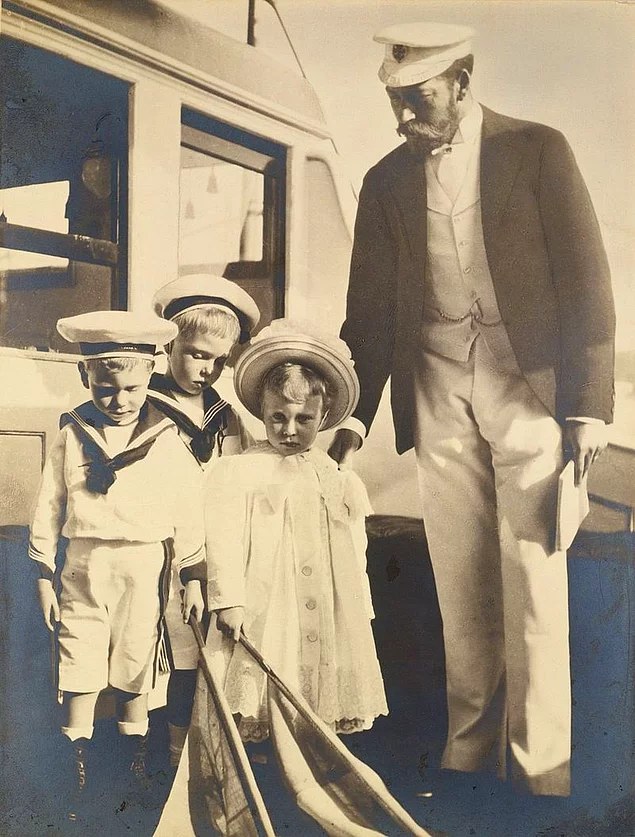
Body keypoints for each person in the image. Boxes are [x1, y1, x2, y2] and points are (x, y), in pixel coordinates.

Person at [328, 22, 615, 797]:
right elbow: (368, 311)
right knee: (459, 578)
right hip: (435, 383)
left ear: (461, 80)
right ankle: (467, 760)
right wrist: (352, 414)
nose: (402, 117)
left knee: (533, 574)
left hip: (529, 385)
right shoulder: (384, 181)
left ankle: (541, 772)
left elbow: (587, 282)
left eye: (417, 98)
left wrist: (586, 408)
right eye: (393, 101)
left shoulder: (537, 150)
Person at [29, 311, 206, 814]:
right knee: (78, 655)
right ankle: (74, 762)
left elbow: (188, 510)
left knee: (135, 658)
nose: (120, 401)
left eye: (131, 388)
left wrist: (193, 577)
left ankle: (134, 762)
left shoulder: (166, 438)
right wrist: (43, 575)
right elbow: (49, 504)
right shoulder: (72, 434)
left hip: (144, 564)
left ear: (150, 376)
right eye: (105, 389)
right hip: (83, 564)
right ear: (84, 376)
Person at [205, 319, 388, 742]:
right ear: (262, 412)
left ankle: (312, 757)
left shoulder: (334, 475)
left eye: (303, 418)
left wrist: (358, 602)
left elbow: (353, 544)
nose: (289, 430)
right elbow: (223, 539)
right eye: (278, 417)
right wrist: (228, 599)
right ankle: (271, 755)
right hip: (269, 600)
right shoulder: (241, 471)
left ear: (323, 417)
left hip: (325, 597)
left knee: (318, 682)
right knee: (273, 665)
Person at [149, 274, 260, 768]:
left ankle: (196, 751)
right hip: (162, 546)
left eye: (218, 360)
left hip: (211, 546)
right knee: (165, 652)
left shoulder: (224, 415)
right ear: (169, 344)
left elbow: (238, 477)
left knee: (200, 654)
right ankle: (161, 751)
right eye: (196, 354)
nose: (207, 369)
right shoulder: (143, 404)